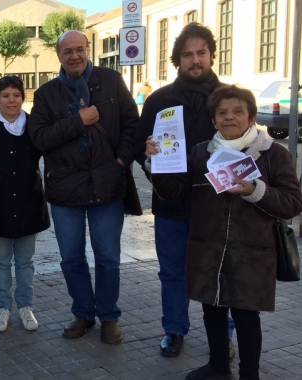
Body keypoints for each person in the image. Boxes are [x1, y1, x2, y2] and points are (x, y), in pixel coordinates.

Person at [147, 84, 302, 380]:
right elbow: (174, 193)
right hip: (208, 249)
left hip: (252, 252)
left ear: (252, 117)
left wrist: (254, 190)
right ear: (214, 119)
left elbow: (292, 204)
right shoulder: (199, 153)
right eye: (222, 112)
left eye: (237, 111)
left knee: (245, 315)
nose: (229, 117)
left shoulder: (272, 155)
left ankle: (249, 374)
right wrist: (158, 161)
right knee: (212, 310)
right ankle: (218, 367)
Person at [28, 30, 138, 344]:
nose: (74, 56)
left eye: (79, 50)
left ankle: (108, 317)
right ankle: (83, 313)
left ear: (87, 49)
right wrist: (79, 121)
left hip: (107, 185)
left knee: (107, 257)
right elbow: (39, 138)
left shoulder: (112, 80)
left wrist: (122, 159)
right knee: (71, 258)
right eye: (67, 52)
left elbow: (132, 121)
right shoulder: (47, 93)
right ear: (59, 55)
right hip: (65, 191)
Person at [133, 23, 228, 358]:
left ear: (212, 55)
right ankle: (174, 330)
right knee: (172, 272)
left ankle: (225, 335)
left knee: (219, 271)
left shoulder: (228, 99)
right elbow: (138, 145)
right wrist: (147, 154)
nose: (195, 60)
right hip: (171, 204)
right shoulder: (159, 100)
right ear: (178, 59)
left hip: (217, 204)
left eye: (201, 52)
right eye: (188, 54)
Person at [0, 75, 50, 332]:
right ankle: (2, 307)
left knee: (25, 262)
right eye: (6, 95)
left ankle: (25, 306)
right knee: (0, 261)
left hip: (28, 205)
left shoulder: (35, 126)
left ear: (23, 97)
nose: (11, 100)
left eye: (16, 95)